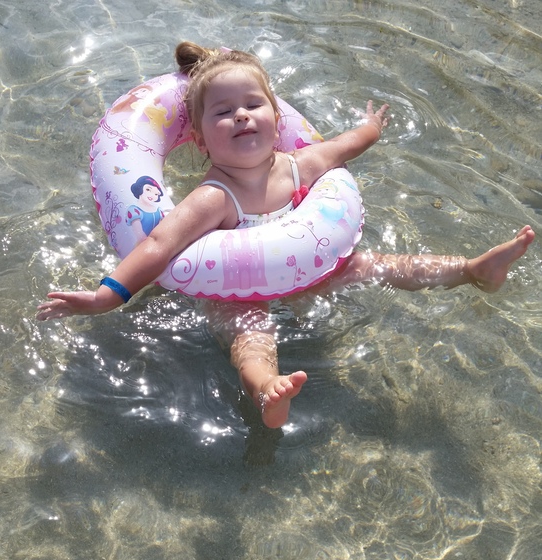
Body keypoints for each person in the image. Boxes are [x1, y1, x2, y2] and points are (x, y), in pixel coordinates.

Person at [37, 42, 536, 429]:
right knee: (249, 332)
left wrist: (371, 127)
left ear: (277, 119)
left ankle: (471, 269)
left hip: (310, 270)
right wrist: (106, 296)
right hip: (237, 290)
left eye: (252, 104)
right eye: (223, 112)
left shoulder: (299, 164)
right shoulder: (212, 198)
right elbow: (158, 244)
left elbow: (345, 146)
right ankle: (267, 389)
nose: (240, 115)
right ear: (199, 138)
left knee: (379, 264)